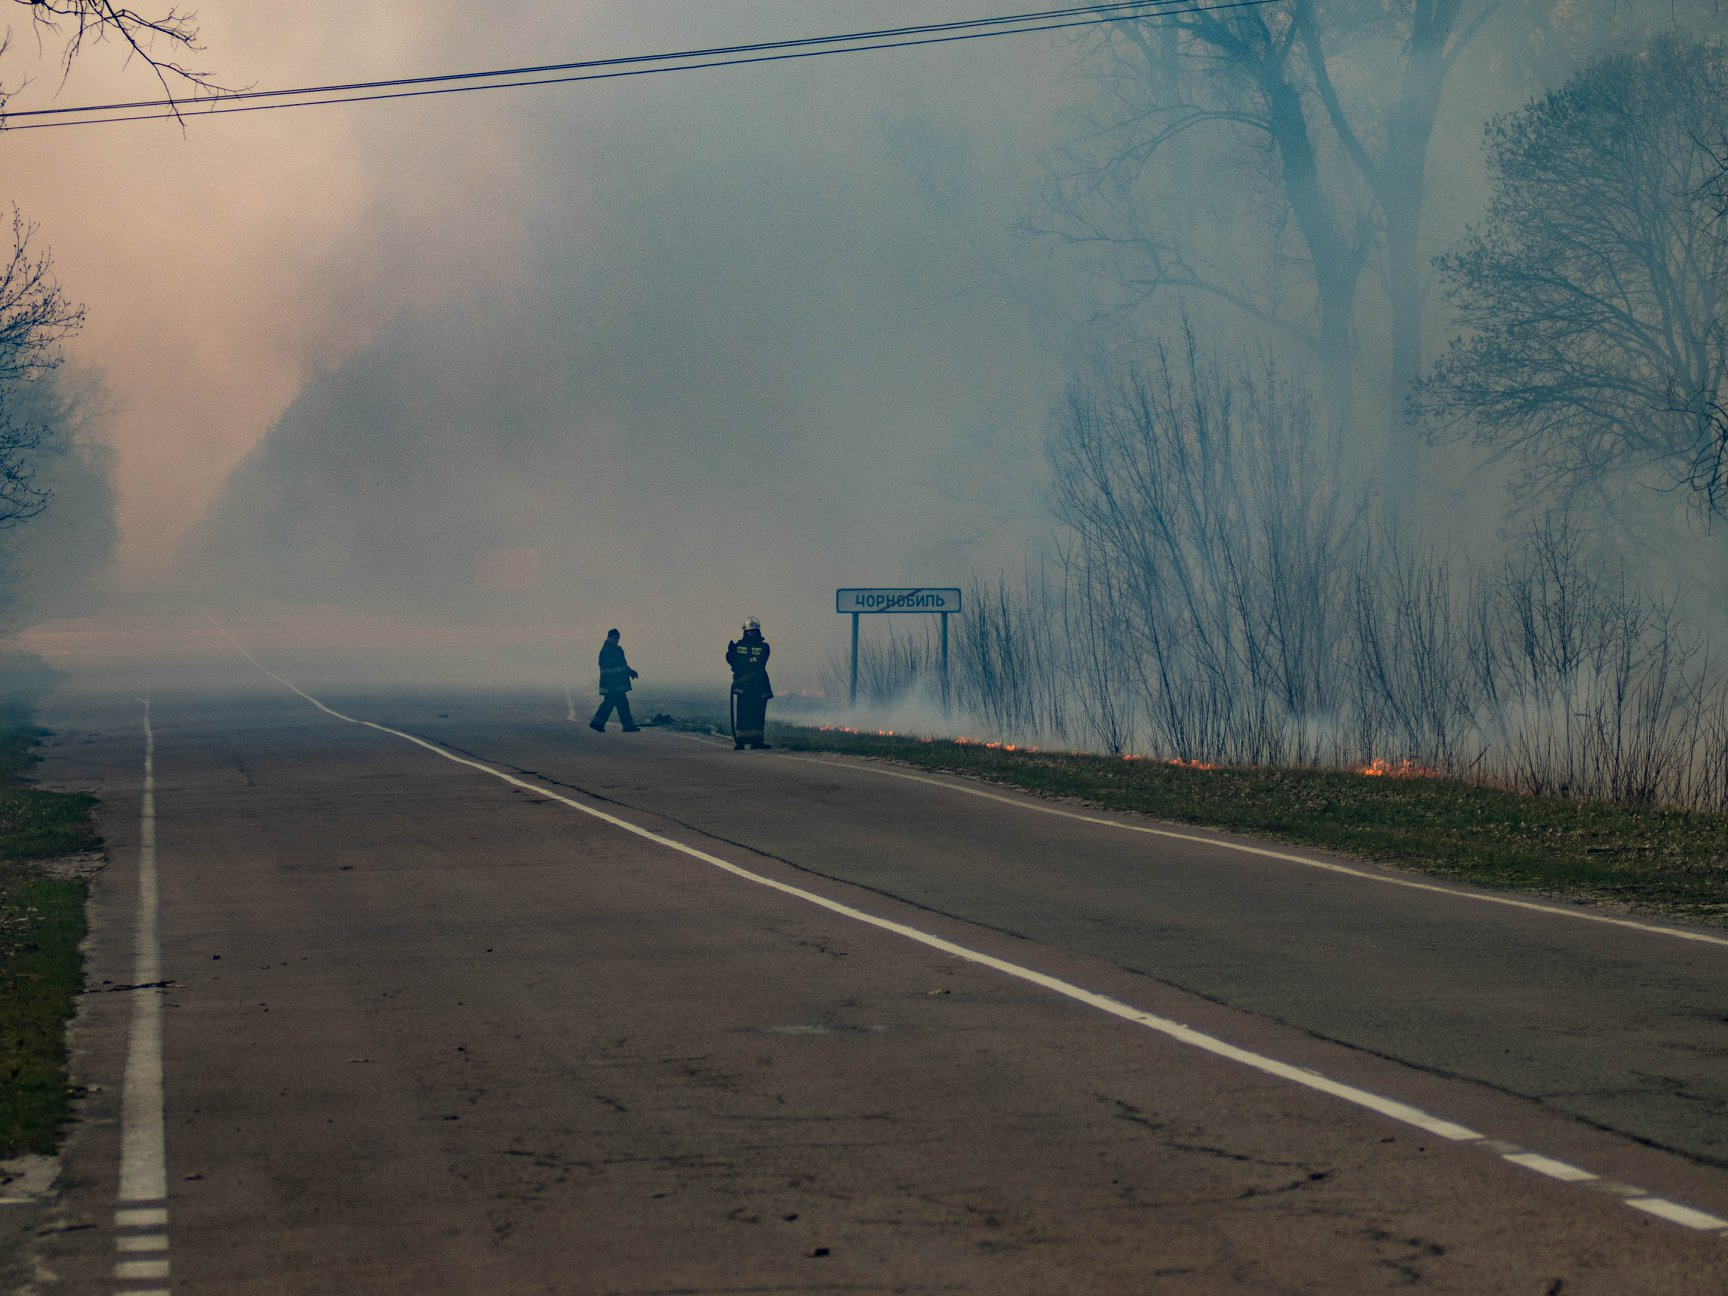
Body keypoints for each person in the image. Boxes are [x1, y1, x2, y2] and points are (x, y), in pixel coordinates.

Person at [726, 616, 773, 750]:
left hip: (759, 685)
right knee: (743, 713)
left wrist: (741, 662)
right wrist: (730, 654)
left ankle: (757, 741)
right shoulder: (738, 646)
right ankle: (740, 741)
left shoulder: (764, 646)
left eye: (754, 631)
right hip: (743, 686)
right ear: (745, 632)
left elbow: (759, 662)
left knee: (758, 713)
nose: (752, 633)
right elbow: (733, 661)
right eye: (749, 631)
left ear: (758, 631)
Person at [589, 628, 640, 733]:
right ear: (609, 637)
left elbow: (621, 666)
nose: (617, 640)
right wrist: (611, 685)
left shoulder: (613, 649)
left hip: (615, 685)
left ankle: (597, 723)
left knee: (611, 704)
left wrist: (630, 672)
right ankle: (627, 726)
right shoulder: (608, 651)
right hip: (614, 685)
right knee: (621, 704)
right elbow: (607, 671)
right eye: (615, 638)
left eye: (618, 638)